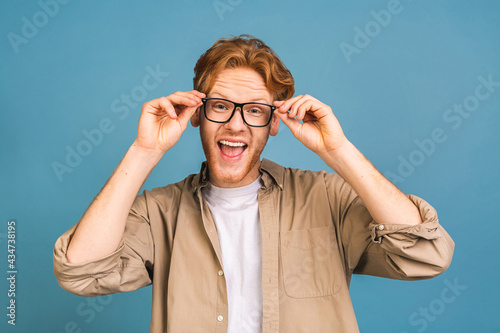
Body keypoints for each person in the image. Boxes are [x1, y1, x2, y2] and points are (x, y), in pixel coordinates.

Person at [53, 34, 455, 333]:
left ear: (275, 122)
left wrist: (337, 150)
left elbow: (425, 253)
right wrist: (145, 150)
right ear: (197, 113)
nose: (235, 124)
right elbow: (80, 271)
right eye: (221, 106)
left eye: (255, 111)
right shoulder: (160, 212)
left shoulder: (327, 198)